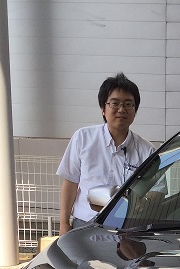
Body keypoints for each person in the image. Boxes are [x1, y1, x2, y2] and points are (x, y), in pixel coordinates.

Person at [57, 73, 155, 233]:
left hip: (126, 229)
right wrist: (63, 223)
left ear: (135, 110)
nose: (121, 110)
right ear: (103, 108)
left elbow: (156, 191)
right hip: (84, 225)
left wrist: (143, 203)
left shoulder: (146, 150)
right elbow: (70, 183)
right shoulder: (83, 138)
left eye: (128, 104)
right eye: (115, 103)